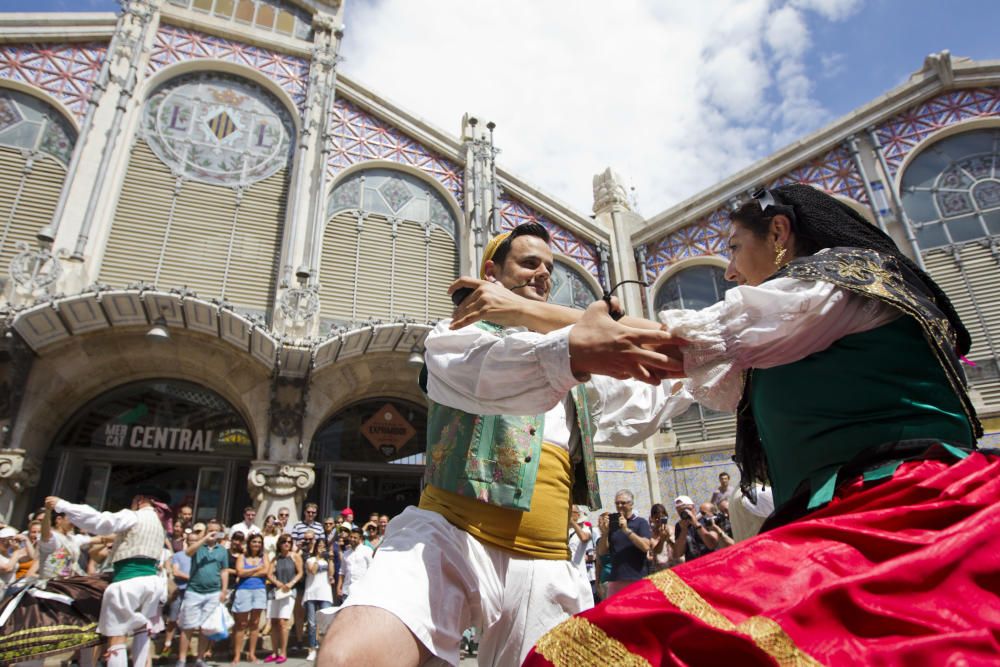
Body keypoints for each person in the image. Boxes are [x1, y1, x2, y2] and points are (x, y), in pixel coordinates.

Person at [522, 184, 996, 666]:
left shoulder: (841, 281)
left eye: (732, 248)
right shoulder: (786, 333)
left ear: (779, 232)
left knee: (602, 649)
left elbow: (675, 345)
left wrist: (518, 309)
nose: (728, 271)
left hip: (914, 512)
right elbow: (658, 385)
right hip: (857, 518)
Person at [321, 223, 685, 667]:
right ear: (491, 272)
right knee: (350, 657)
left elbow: (651, 392)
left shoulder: (578, 362)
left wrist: (714, 363)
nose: (542, 274)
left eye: (549, 268)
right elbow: (489, 376)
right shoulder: (459, 334)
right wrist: (575, 346)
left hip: (546, 562)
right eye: (529, 263)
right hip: (451, 536)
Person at [45, 490, 170, 667]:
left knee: (116, 635)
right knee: (142, 630)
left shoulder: (134, 516)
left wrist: (62, 505)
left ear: (140, 499)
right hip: (152, 584)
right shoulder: (159, 524)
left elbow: (100, 521)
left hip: (128, 582)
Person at [0, 504, 108, 664]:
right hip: (44, 593)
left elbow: (100, 539)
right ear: (59, 520)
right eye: (70, 519)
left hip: (65, 591)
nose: (73, 523)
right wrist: (49, 510)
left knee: (87, 629)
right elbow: (45, 533)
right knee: (37, 635)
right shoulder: (51, 539)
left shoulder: (73, 539)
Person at [177, 518, 229, 667]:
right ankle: (182, 660)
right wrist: (204, 539)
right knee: (188, 627)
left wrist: (223, 590)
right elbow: (188, 552)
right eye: (210, 530)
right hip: (194, 591)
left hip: (213, 592)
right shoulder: (199, 546)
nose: (213, 533)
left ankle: (200, 659)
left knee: (206, 628)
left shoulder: (222, 550)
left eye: (215, 531)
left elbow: (224, 570)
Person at [596, 490, 652, 597]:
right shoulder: (613, 525)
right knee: (614, 613)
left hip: (636, 578)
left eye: (623, 503)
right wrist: (605, 533)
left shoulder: (640, 522)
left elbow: (645, 547)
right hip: (615, 579)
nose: (619, 506)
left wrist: (626, 530)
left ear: (631, 504)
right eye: (617, 503)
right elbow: (602, 552)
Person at [232, 533, 269, 664]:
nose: (257, 544)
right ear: (249, 543)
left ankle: (251, 654)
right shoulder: (242, 557)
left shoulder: (264, 556)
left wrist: (249, 572)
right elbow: (239, 572)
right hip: (244, 590)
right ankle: (237, 655)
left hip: (259, 590)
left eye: (259, 542)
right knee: (241, 624)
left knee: (255, 623)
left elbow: (266, 572)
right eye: (254, 542)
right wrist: (257, 569)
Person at [266, 534, 302, 663]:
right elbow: (269, 574)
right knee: (274, 621)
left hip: (289, 592)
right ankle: (274, 652)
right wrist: (277, 583)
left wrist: (291, 584)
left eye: (289, 542)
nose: (287, 544)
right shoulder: (275, 558)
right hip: (276, 591)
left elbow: (300, 572)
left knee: (283, 621)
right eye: (284, 542)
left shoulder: (294, 556)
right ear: (279, 544)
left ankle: (283, 652)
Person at [302, 535, 334, 660]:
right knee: (312, 623)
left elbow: (331, 573)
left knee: (325, 623)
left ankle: (324, 648)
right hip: (311, 593)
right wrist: (318, 557)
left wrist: (330, 559)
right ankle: (312, 648)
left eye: (323, 546)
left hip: (325, 593)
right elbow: (313, 571)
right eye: (319, 546)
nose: (321, 548)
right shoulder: (310, 560)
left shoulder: (326, 561)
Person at [336, 527, 372, 604]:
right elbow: (342, 571)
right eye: (351, 537)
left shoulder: (367, 551)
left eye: (355, 537)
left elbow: (371, 569)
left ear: (360, 538)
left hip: (361, 590)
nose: (352, 539)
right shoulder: (346, 553)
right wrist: (339, 587)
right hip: (347, 590)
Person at [567, 505, 593, 604]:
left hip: (579, 573)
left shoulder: (585, 529)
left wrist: (572, 522)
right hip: (565, 572)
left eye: (570, 511)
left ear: (577, 514)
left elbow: (584, 538)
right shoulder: (564, 530)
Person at [646, 503, 674, 573]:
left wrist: (668, 539)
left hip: (676, 566)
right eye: (656, 518)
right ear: (652, 518)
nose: (659, 520)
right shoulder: (651, 535)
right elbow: (657, 551)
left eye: (661, 517)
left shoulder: (673, 529)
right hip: (661, 570)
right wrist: (662, 539)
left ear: (666, 516)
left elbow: (679, 549)